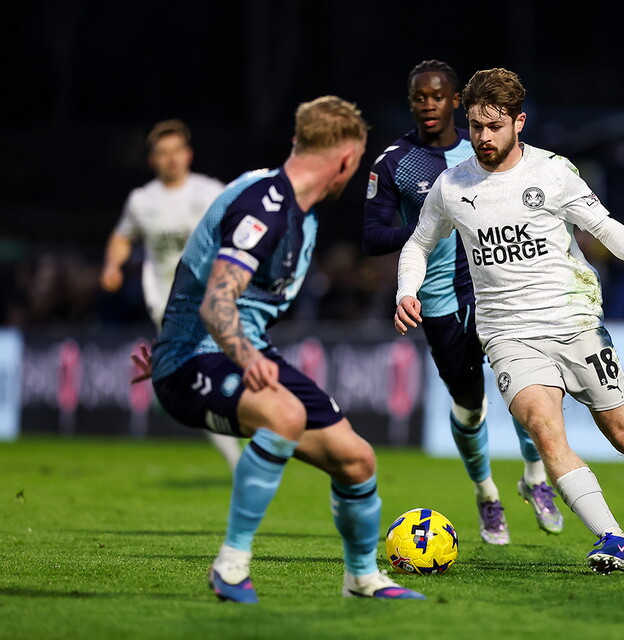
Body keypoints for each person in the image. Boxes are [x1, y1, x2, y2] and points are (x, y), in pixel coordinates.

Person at [394, 68, 624, 574]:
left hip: (574, 321)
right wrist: (406, 290)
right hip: (507, 334)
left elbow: (601, 224)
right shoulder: (451, 186)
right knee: (544, 429)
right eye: (475, 126)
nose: (483, 137)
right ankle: (615, 540)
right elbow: (418, 243)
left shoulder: (553, 172)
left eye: (494, 126)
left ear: (519, 122)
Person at [147, 96, 424, 602]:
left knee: (357, 459)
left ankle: (362, 579)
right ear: (345, 160)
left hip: (235, 349)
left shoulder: (298, 210)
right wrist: (240, 357)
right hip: (195, 360)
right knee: (284, 415)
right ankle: (231, 566)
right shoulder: (265, 205)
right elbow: (215, 304)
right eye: (357, 164)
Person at [363, 59, 564, 545]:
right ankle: (486, 493)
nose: (427, 104)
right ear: (410, 102)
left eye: (437, 95)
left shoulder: (487, 151)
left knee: (524, 391)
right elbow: (371, 236)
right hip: (440, 303)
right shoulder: (393, 162)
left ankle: (535, 478)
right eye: (418, 97)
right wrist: (431, 224)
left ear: (458, 101)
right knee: (470, 408)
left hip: (499, 292)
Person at [100, 119, 243, 473]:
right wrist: (112, 267)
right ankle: (240, 459)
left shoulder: (210, 191)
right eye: (163, 153)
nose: (172, 159)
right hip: (167, 305)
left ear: (188, 154)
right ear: (153, 160)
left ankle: (174, 388)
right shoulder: (141, 201)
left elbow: (244, 222)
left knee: (216, 376)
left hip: (215, 297)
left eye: (177, 150)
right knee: (204, 375)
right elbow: (122, 236)